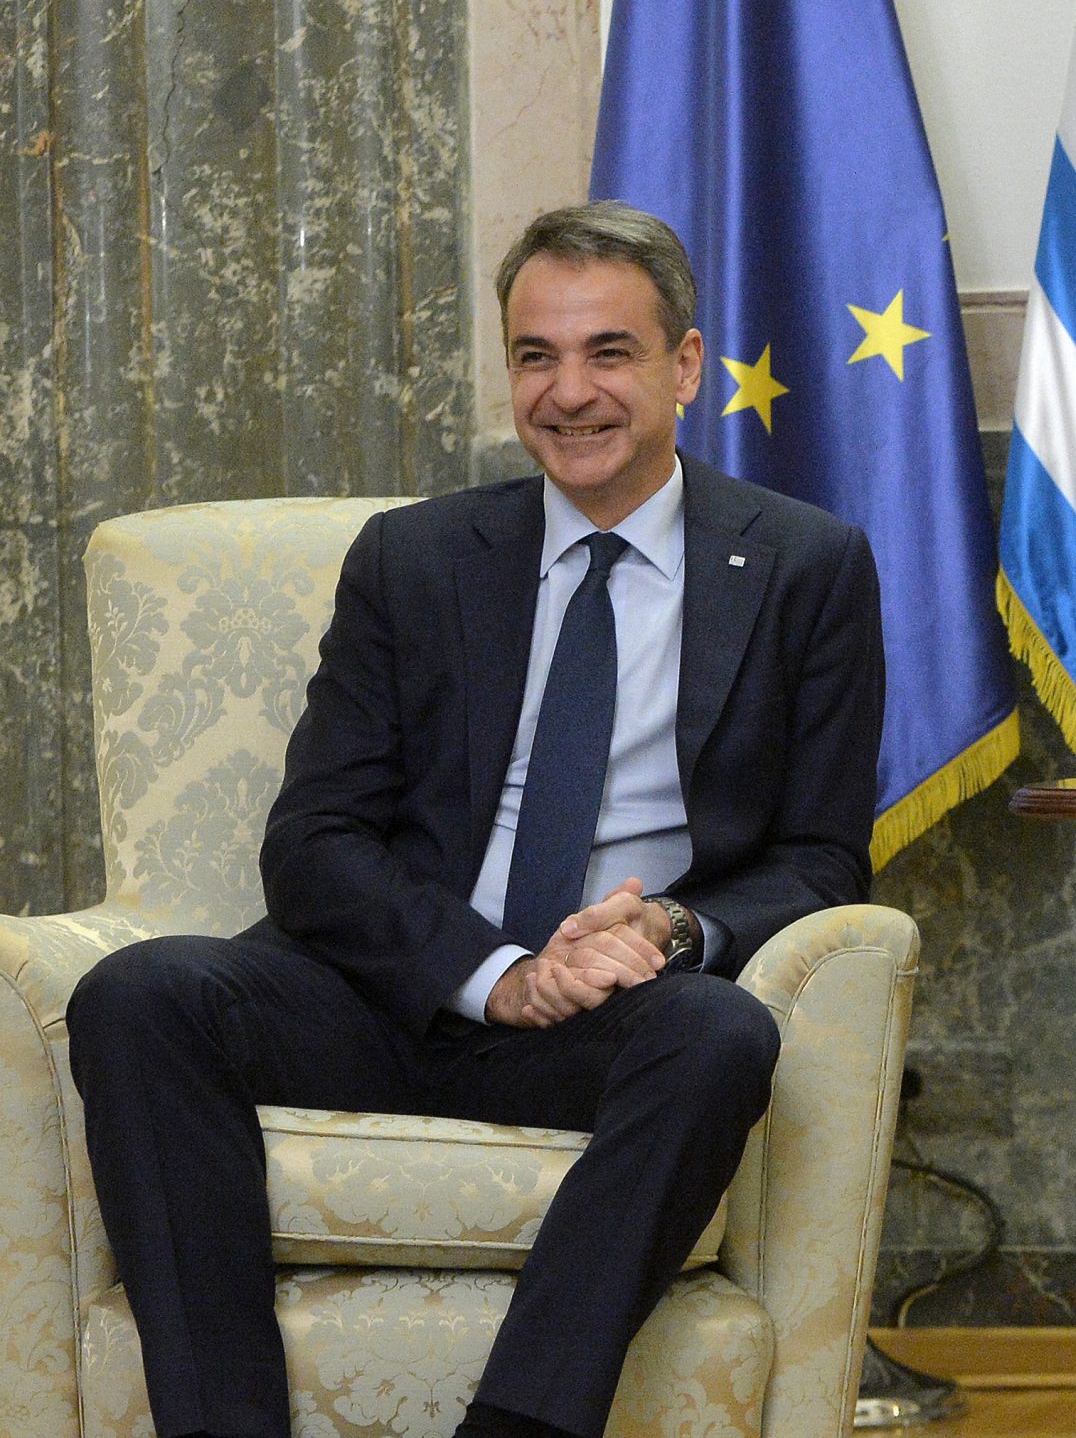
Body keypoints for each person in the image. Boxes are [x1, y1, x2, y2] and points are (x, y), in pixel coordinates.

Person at [65, 201, 886, 1438]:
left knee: (719, 1037)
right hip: (403, 992)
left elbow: (821, 858)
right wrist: (492, 975)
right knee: (138, 995)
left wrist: (662, 930)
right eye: (534, 356)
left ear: (685, 365)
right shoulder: (415, 559)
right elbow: (313, 842)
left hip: (614, 1016)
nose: (569, 393)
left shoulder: (804, 567)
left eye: (608, 352)